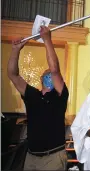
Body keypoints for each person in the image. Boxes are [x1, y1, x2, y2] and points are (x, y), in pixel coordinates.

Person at [7, 26, 69, 170]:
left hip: (53, 157)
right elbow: (13, 75)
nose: (50, 76)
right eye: (46, 74)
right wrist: (16, 50)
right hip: (31, 157)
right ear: (41, 79)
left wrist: (47, 40)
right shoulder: (32, 95)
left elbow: (54, 69)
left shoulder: (60, 96)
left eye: (52, 75)